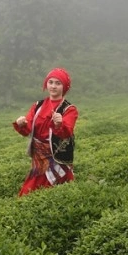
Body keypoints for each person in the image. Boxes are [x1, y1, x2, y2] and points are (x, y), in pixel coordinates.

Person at [13, 68, 78, 196]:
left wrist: (60, 123)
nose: (53, 86)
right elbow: (28, 129)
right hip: (38, 159)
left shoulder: (69, 109)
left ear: (64, 87)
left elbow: (67, 132)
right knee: (28, 193)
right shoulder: (37, 106)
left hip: (57, 156)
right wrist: (21, 124)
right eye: (51, 82)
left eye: (58, 83)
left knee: (59, 193)